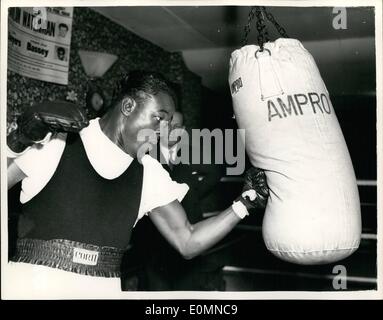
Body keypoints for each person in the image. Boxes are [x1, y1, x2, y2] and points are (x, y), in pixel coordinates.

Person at [5, 71, 268, 298]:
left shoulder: (149, 173)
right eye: (159, 118)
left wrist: (243, 204)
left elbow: (186, 240)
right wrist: (18, 140)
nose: (165, 131)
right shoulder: (60, 139)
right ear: (128, 106)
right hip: (33, 289)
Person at [125, 111, 226, 291]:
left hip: (190, 229)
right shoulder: (146, 154)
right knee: (157, 292)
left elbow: (215, 173)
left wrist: (193, 194)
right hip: (155, 239)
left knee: (188, 290)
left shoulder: (193, 152)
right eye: (168, 125)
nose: (172, 130)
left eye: (177, 126)